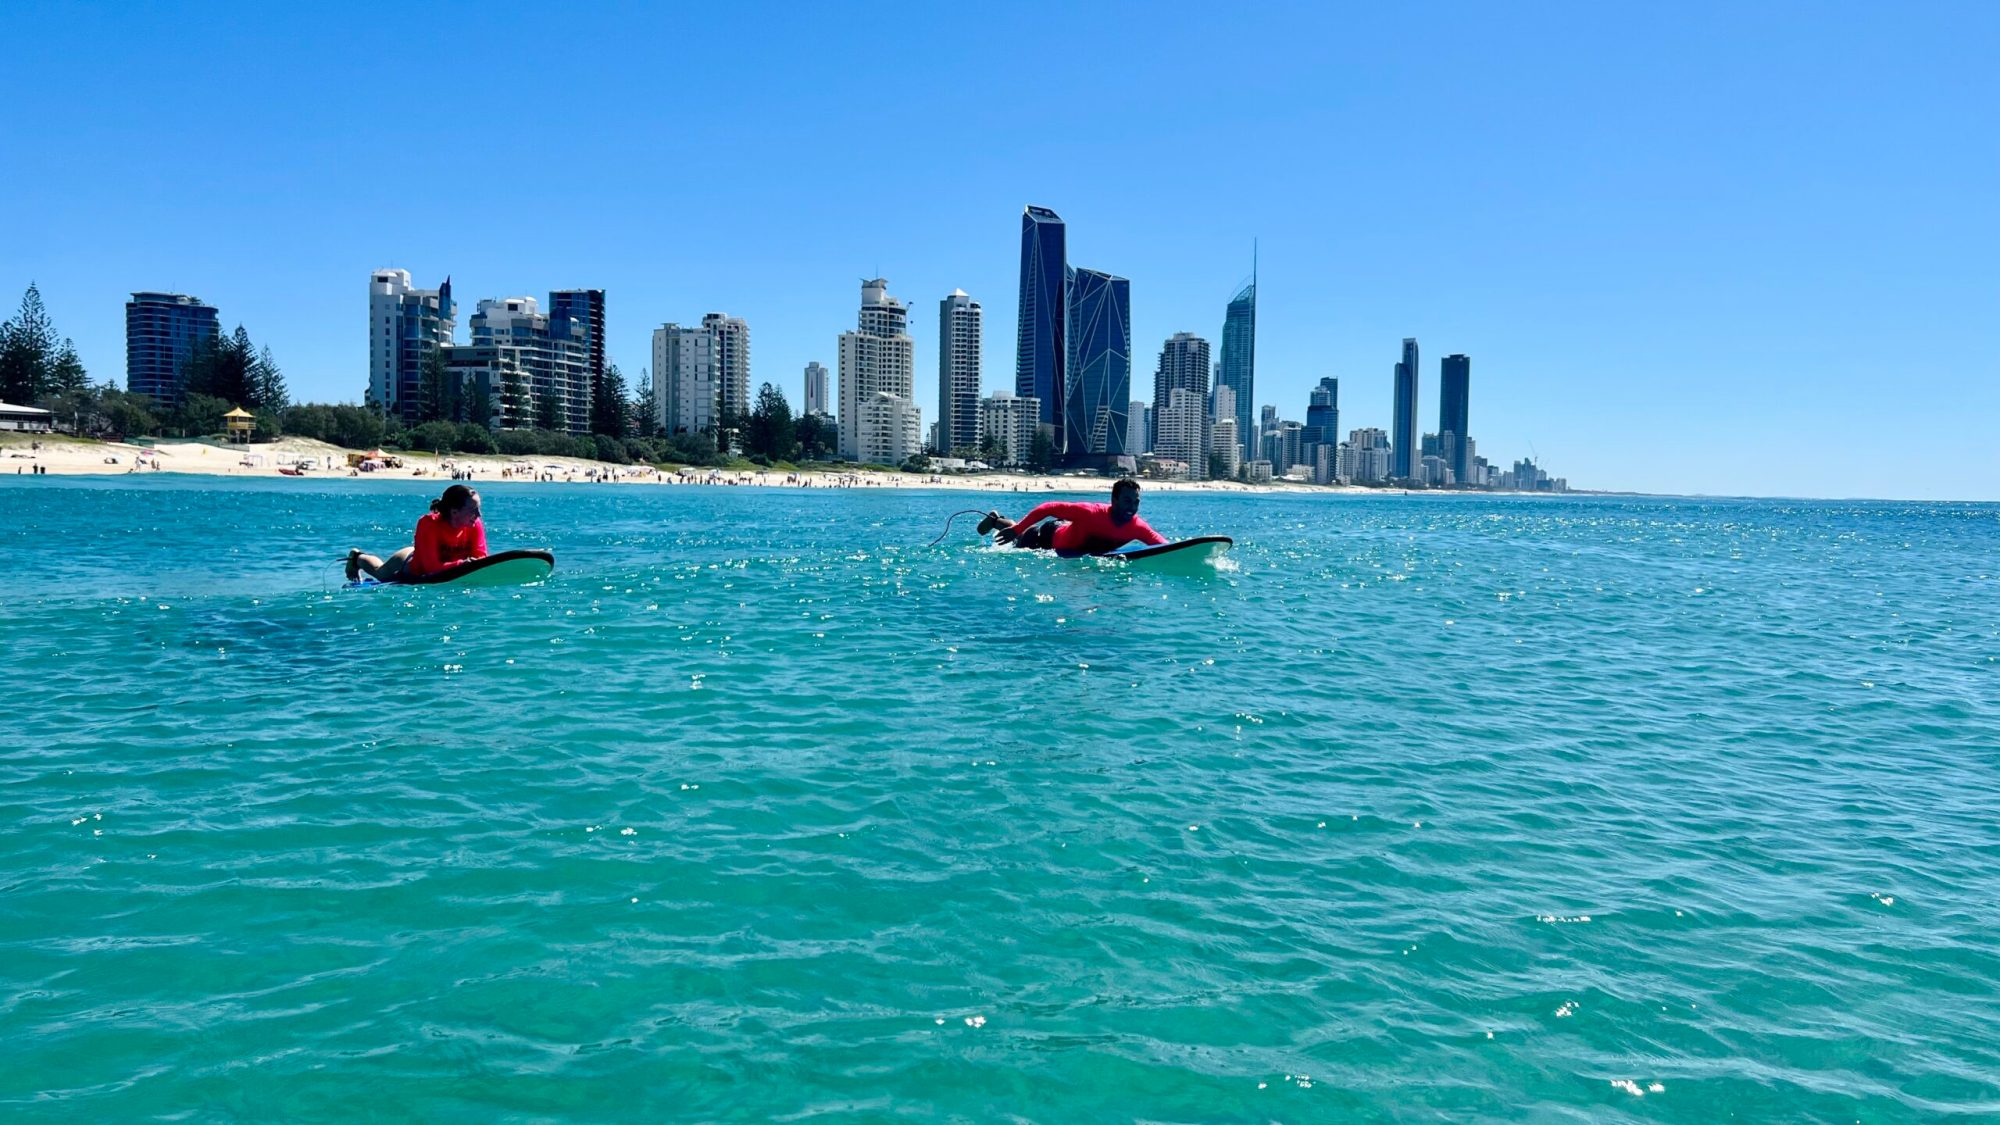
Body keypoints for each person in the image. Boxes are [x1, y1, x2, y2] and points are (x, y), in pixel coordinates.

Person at [976, 478, 1167, 555]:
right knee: (1019, 536)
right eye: (1127, 501)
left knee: (1020, 531)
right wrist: (1016, 530)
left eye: (1136, 502)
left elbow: (1164, 546)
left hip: (1074, 543)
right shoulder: (1090, 512)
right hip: (1049, 537)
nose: (1132, 508)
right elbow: (1047, 507)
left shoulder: (1137, 527)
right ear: (1114, 500)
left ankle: (1003, 522)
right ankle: (995, 520)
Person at [347, 485, 488, 583]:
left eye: (479, 509)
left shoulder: (475, 524)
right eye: (473, 510)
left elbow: (481, 559)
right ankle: (357, 558)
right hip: (408, 562)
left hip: (443, 565)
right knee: (381, 574)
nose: (478, 514)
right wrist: (462, 564)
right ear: (454, 512)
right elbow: (431, 568)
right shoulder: (428, 524)